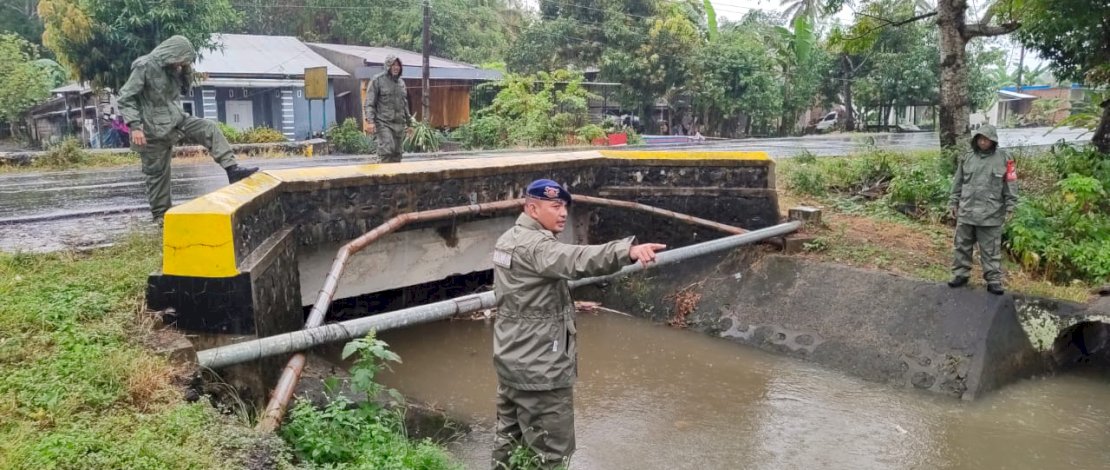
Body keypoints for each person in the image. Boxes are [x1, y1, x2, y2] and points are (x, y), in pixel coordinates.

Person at [490, 179, 666, 469]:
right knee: (551, 455)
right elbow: (577, 259)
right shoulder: (536, 247)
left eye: (565, 207)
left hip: (511, 360)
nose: (563, 213)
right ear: (532, 209)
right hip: (541, 369)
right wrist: (627, 251)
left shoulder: (508, 239)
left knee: (508, 446)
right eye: (555, 206)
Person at [118, 35, 257, 222]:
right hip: (152, 129)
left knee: (208, 128)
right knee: (157, 175)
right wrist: (135, 126)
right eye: (181, 59)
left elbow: (185, 90)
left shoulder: (173, 69)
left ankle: (232, 170)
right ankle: (161, 217)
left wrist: (186, 70)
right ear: (172, 53)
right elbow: (125, 97)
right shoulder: (144, 66)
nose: (181, 63)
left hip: (177, 119)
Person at [947, 124, 1018, 295]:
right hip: (967, 210)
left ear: (993, 140)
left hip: (991, 213)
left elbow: (1011, 184)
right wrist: (953, 202)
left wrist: (1011, 205)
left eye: (986, 139)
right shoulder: (968, 157)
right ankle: (960, 274)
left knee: (991, 249)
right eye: (980, 139)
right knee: (962, 245)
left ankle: (993, 280)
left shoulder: (1005, 159)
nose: (983, 142)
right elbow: (958, 182)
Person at [363, 55, 415, 163]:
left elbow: (405, 105)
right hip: (384, 123)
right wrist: (370, 122)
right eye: (393, 65)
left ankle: (394, 174)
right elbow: (369, 103)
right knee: (386, 150)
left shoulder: (401, 83)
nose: (396, 67)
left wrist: (409, 124)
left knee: (397, 153)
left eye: (398, 65)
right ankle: (383, 172)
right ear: (388, 66)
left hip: (399, 124)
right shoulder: (377, 80)